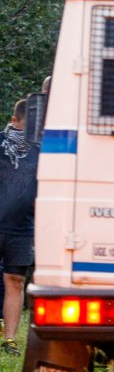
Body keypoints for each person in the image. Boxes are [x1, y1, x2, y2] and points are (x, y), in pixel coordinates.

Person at [0, 98, 39, 355]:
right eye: (27, 125)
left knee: (15, 280)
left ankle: (10, 340)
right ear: (15, 121)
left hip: (22, 228)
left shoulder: (41, 150)